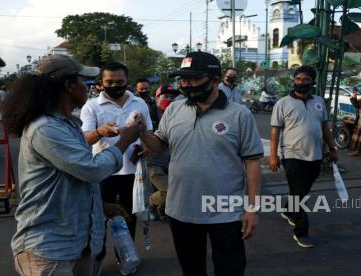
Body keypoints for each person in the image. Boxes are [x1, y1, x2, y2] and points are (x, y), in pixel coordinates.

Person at [7, 54, 143, 276]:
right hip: (50, 249)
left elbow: (74, 177)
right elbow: (92, 169)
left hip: (81, 243)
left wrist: (99, 206)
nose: (87, 87)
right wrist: (124, 140)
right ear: (69, 86)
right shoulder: (45, 128)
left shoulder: (67, 124)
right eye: (83, 81)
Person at [139, 51, 263, 276]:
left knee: (230, 270)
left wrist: (252, 208)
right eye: (183, 80)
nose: (186, 85)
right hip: (181, 208)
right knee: (192, 270)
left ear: (215, 79)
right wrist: (142, 134)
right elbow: (159, 145)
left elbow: (253, 162)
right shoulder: (174, 109)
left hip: (225, 210)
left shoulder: (239, 114)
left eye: (194, 78)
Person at [80, 62, 153, 267]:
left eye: (120, 81)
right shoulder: (91, 106)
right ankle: (97, 260)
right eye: (109, 82)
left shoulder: (139, 103)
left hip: (133, 171)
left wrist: (147, 146)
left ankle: (126, 258)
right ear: (101, 84)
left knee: (129, 217)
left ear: (127, 81)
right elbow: (85, 139)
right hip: (103, 171)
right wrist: (100, 132)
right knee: (98, 220)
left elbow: (148, 133)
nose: (115, 85)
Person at [269, 65, 338, 248]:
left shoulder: (319, 102)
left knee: (301, 191)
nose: (302, 82)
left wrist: (332, 148)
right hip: (291, 154)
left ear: (312, 82)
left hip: (314, 155)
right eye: (299, 79)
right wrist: (273, 155)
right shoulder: (282, 103)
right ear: (294, 81)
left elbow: (325, 127)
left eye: (306, 79)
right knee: (299, 193)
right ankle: (301, 232)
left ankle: (288, 211)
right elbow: (275, 131)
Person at [146, 84, 179, 220]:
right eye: (165, 96)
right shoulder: (147, 115)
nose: (169, 99)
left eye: (172, 97)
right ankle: (147, 204)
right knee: (168, 191)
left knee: (176, 191)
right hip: (153, 162)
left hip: (172, 162)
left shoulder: (178, 114)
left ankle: (161, 211)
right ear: (157, 97)